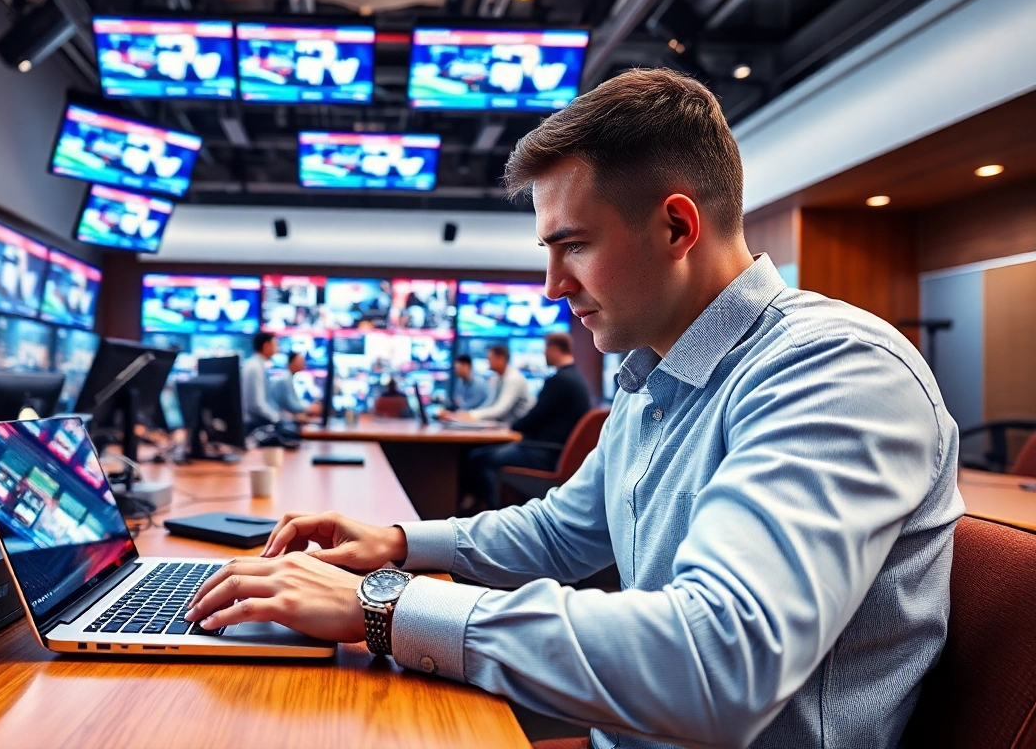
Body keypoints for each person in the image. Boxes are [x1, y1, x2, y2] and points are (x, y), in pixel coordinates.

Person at [184, 69, 963, 749]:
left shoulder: (834, 369)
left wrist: (382, 606)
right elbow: (565, 529)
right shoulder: (649, 367)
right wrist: (393, 543)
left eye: (574, 245)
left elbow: (718, 664)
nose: (552, 286)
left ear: (677, 226)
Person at [459, 332, 590, 513]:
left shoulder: (560, 381)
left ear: (552, 349)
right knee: (481, 454)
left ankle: (492, 513)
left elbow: (532, 418)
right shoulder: (575, 377)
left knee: (479, 458)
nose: (544, 354)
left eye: (545, 349)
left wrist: (515, 426)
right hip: (552, 450)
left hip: (544, 452)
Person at [438, 344, 532, 423]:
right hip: (504, 427)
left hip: (518, 432)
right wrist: (467, 415)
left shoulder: (513, 379)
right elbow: (490, 404)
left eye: (490, 358)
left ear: (501, 358)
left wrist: (471, 415)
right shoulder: (498, 378)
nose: (488, 362)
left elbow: (500, 409)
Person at [240, 332, 280, 434]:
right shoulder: (255, 368)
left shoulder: (256, 365)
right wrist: (277, 419)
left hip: (253, 424)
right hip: (252, 426)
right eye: (275, 345)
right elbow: (257, 404)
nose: (277, 349)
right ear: (266, 346)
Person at [268, 351, 320, 422]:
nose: (303, 364)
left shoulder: (288, 377)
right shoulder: (285, 379)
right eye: (300, 361)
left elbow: (294, 401)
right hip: (278, 418)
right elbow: (292, 404)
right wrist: (310, 407)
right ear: (292, 362)